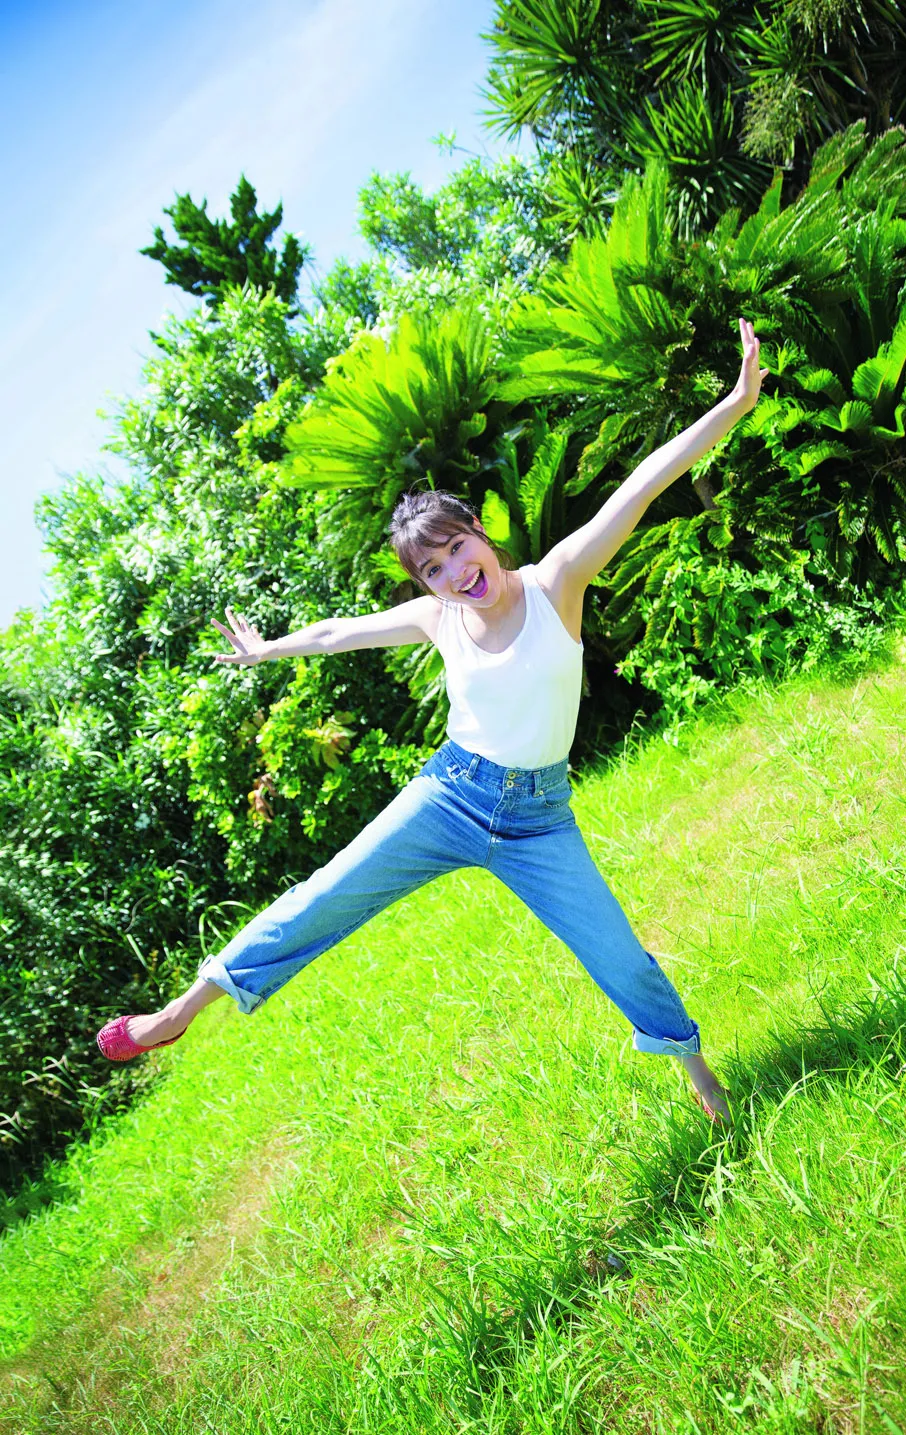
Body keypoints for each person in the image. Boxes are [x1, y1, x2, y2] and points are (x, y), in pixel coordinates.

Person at [97, 319, 768, 1123]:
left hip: (539, 820)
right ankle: (179, 1012)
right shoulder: (436, 616)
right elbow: (340, 632)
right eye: (433, 569)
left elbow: (642, 485)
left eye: (456, 549)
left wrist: (734, 402)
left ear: (480, 531)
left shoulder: (558, 582)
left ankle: (704, 1080)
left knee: (619, 955)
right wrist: (270, 646)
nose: (455, 574)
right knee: (322, 895)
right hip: (448, 798)